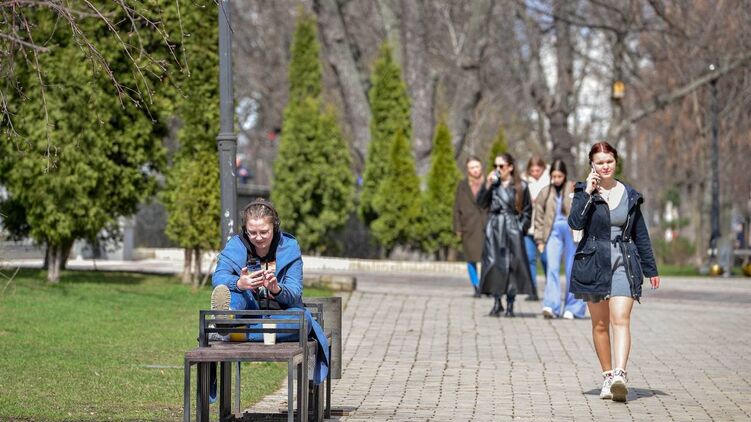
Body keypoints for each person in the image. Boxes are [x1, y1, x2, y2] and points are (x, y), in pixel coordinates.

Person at [208, 198, 329, 403]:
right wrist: (240, 282)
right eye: (252, 232)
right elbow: (218, 277)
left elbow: (295, 291)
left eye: (264, 232)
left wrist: (276, 289)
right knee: (235, 294)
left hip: (281, 312)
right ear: (245, 230)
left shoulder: (290, 247)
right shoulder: (235, 245)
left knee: (303, 319)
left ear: (275, 227)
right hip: (248, 307)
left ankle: (230, 333)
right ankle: (225, 317)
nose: (258, 237)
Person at [568, 142, 660, 402]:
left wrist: (650, 268)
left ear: (616, 162)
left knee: (620, 318)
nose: (605, 166)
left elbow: (640, 234)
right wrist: (588, 192)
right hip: (594, 263)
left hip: (624, 262)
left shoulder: (629, 194)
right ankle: (607, 376)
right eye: (600, 162)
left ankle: (620, 374)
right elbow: (575, 222)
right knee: (600, 324)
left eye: (609, 161)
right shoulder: (583, 191)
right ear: (592, 165)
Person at [477, 153, 534, 317]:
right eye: (495, 166)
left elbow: (527, 210)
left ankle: (510, 303)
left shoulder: (521, 186)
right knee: (493, 264)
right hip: (494, 228)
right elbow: (481, 203)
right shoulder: (493, 185)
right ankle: (496, 302)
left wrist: (520, 228)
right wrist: (487, 185)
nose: (498, 169)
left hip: (512, 228)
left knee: (512, 266)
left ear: (510, 167)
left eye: (501, 166)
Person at [533, 160, 586, 320]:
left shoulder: (573, 188)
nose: (556, 179)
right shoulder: (545, 192)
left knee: (572, 269)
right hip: (553, 233)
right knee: (552, 268)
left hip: (571, 233)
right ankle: (551, 305)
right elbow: (539, 217)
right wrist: (540, 240)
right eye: (554, 176)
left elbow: (583, 208)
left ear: (565, 175)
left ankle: (573, 307)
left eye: (559, 176)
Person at [454, 156, 488, 297]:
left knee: (487, 258)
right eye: (472, 167)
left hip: (486, 225)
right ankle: (476, 285)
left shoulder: (488, 184)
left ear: (481, 167)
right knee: (471, 258)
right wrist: (457, 227)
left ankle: (486, 285)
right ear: (468, 170)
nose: (475, 170)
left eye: (477, 167)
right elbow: (457, 207)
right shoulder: (462, 186)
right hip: (468, 226)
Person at [522, 156, 550, 301]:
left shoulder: (549, 181)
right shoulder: (524, 181)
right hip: (528, 227)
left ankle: (550, 289)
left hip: (544, 228)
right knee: (529, 259)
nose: (535, 173)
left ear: (543, 169)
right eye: (532, 171)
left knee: (546, 260)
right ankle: (532, 290)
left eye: (537, 170)